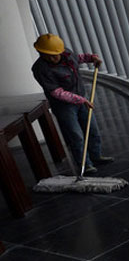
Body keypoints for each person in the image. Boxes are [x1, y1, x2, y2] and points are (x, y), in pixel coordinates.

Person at [31, 33, 114, 175]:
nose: (52, 58)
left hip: (81, 98)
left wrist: (91, 58)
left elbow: (78, 58)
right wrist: (81, 100)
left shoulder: (66, 53)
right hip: (64, 106)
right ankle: (85, 164)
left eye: (55, 55)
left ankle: (96, 156)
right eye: (47, 55)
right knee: (76, 135)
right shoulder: (40, 69)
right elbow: (57, 92)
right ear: (40, 52)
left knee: (91, 129)